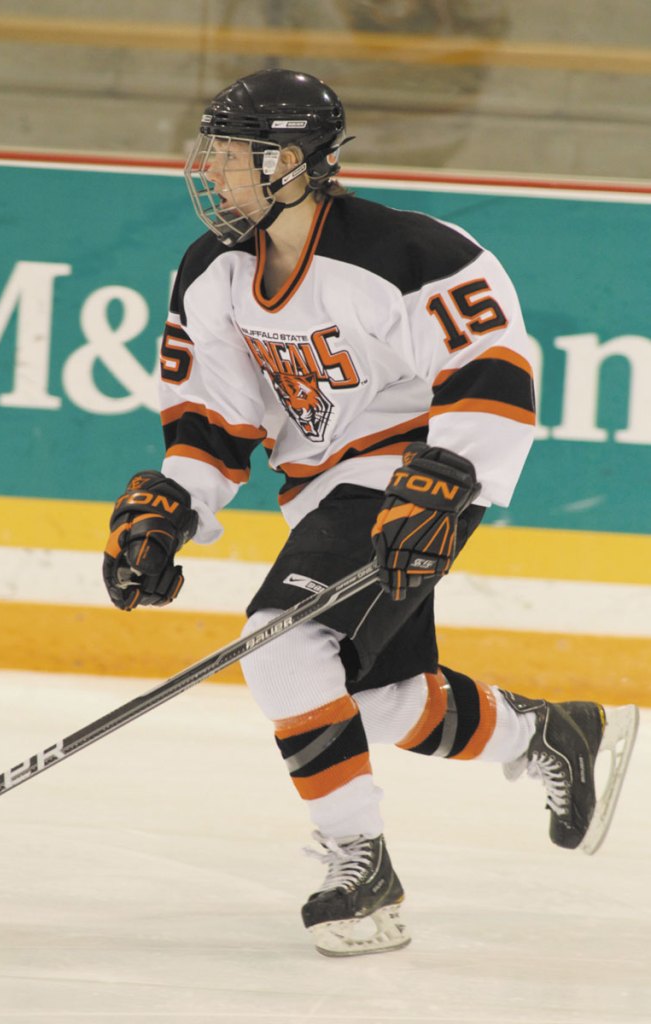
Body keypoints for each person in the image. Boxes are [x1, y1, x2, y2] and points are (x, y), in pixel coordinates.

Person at [102, 69, 639, 957]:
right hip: (322, 489)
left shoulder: (408, 255)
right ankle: (547, 732)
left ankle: (362, 866)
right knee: (366, 695)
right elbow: (212, 417)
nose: (215, 169)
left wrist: (446, 478)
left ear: (293, 162)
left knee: (283, 642)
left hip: (416, 480)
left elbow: (491, 373)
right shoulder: (211, 271)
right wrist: (173, 505)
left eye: (235, 154)